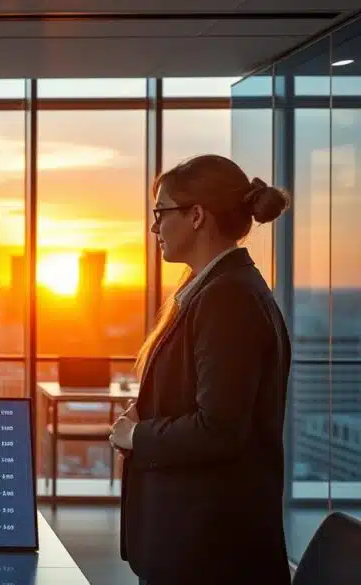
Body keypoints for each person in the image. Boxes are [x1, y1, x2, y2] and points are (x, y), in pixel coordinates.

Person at [110, 154, 292, 585]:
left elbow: (220, 428)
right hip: (195, 544)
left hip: (211, 553)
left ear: (195, 216)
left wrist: (136, 435)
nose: (154, 228)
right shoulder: (214, 289)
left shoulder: (228, 299)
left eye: (161, 212)